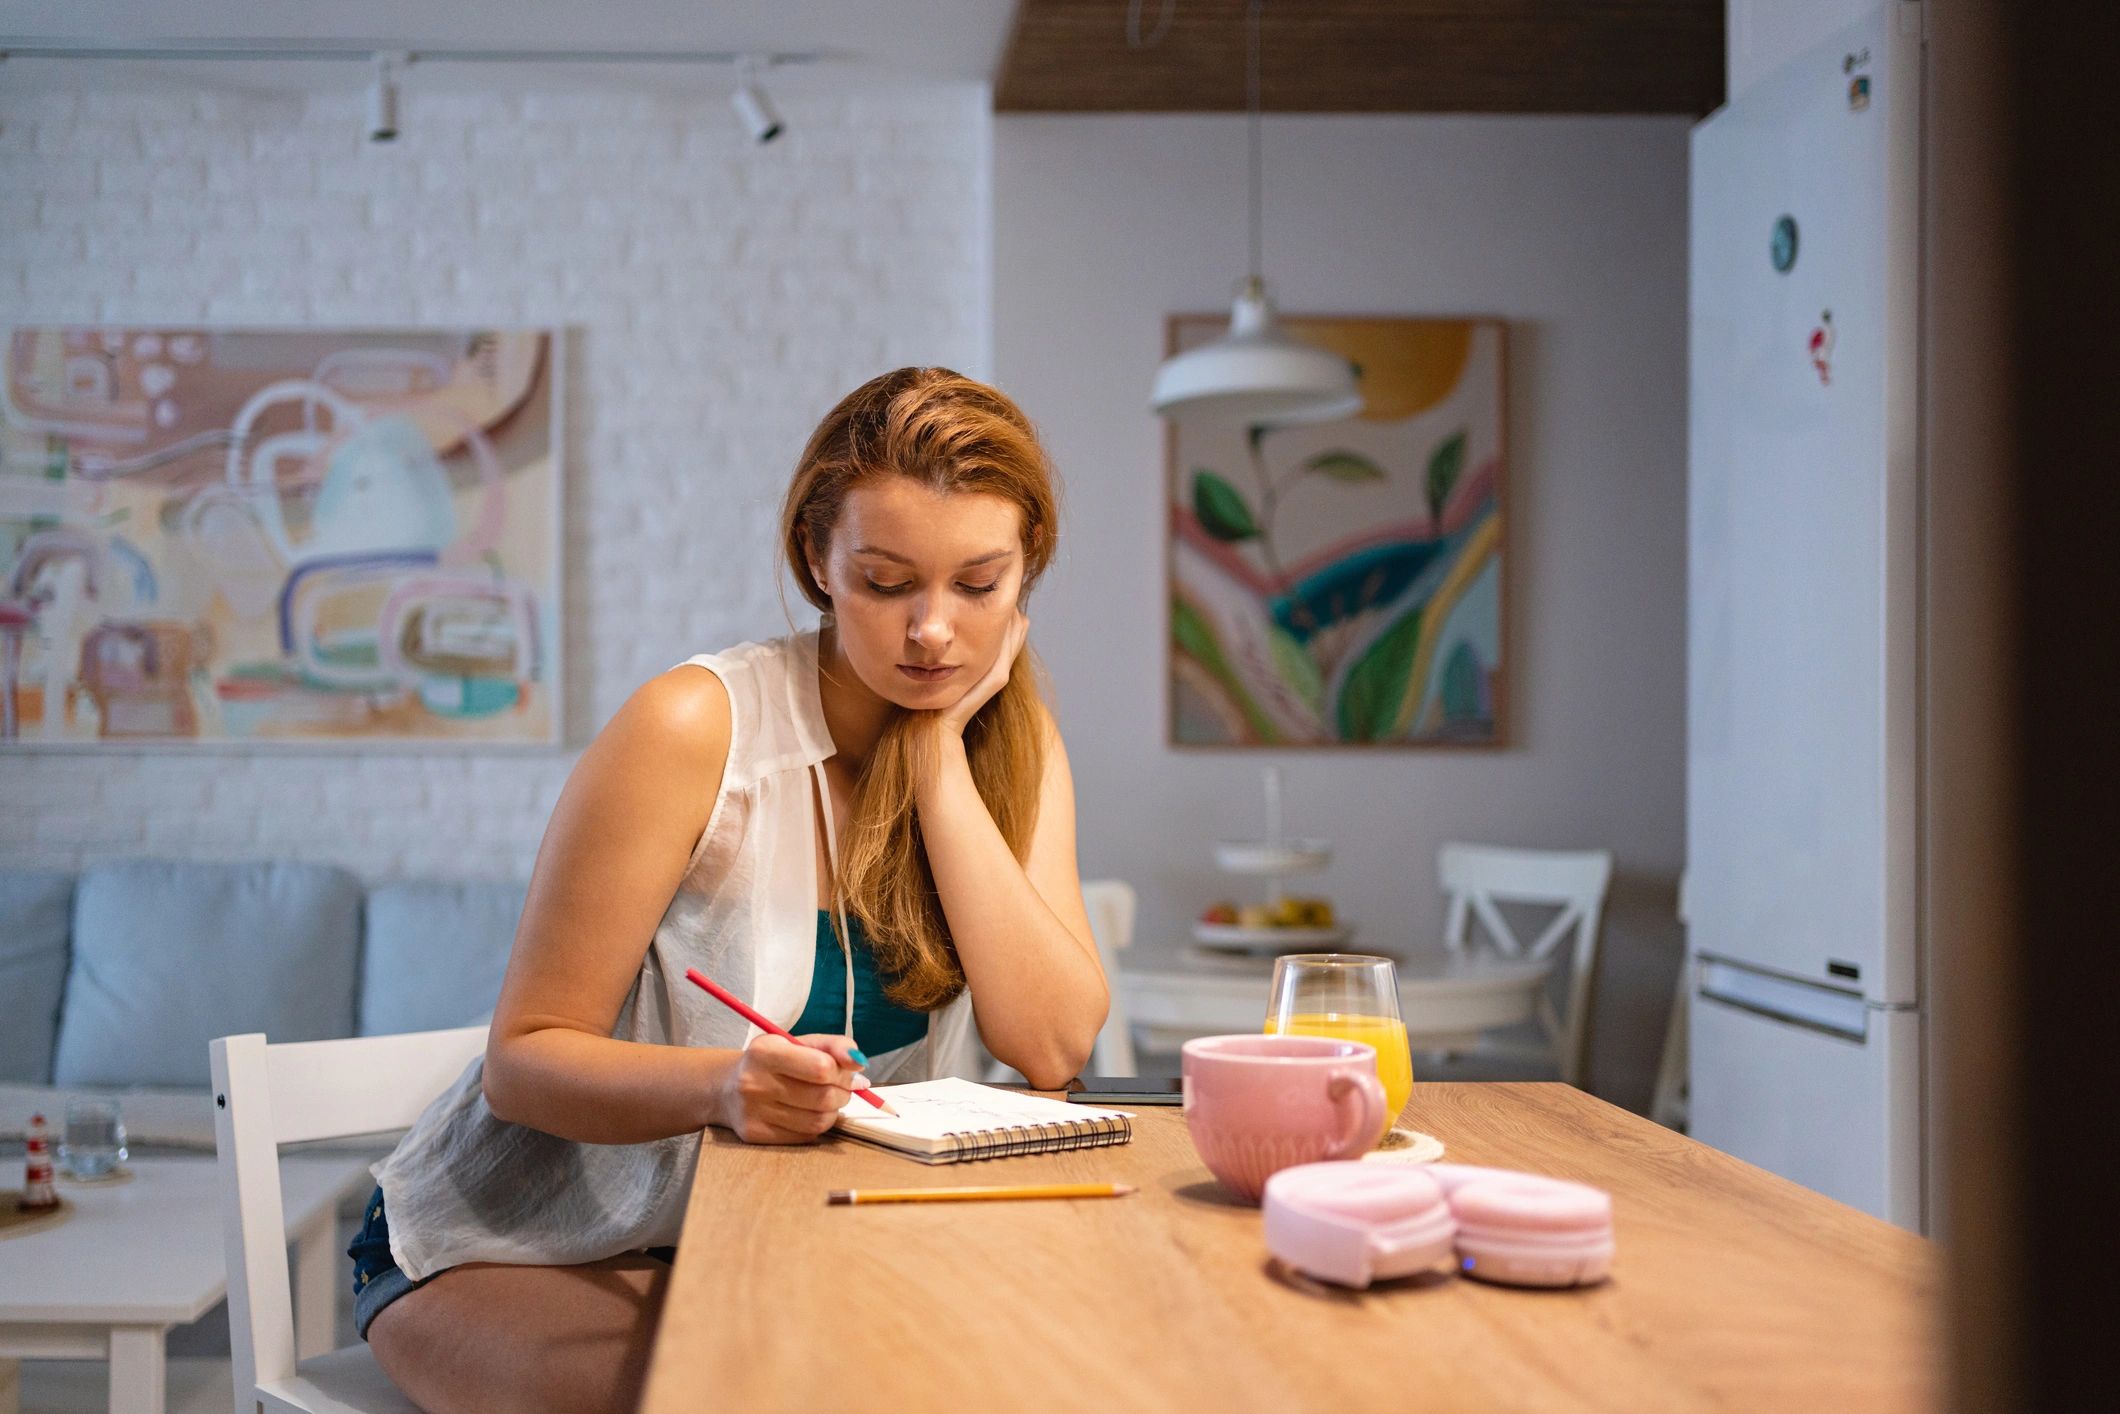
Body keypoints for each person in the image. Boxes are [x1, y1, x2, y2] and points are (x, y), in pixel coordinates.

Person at [351, 368, 1109, 1413]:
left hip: (767, 1238)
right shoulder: (693, 729)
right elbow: (522, 1065)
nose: (933, 631)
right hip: (513, 1242)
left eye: (977, 586)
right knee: (739, 1392)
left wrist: (933, 758)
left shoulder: (1009, 746)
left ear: (1027, 573)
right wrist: (718, 1088)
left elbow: (1053, 1045)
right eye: (887, 583)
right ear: (816, 559)